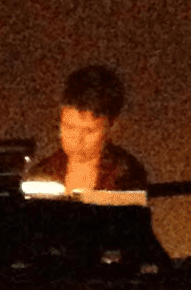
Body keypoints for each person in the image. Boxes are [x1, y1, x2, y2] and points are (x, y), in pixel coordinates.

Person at [43, 64, 150, 193]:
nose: (77, 140)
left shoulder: (125, 174)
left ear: (112, 127)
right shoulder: (45, 171)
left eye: (89, 131)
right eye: (69, 128)